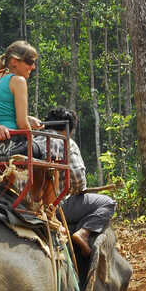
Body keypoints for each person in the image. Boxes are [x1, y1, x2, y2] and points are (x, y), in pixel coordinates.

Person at [44, 107, 116, 257]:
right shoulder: (66, 143)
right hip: (57, 206)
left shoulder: (34, 139)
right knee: (107, 203)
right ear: (68, 129)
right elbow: (78, 181)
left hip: (29, 205)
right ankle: (83, 233)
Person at [0, 40, 45, 158]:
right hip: (11, 144)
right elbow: (22, 124)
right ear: (14, 61)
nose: (33, 67)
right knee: (47, 147)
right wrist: (32, 137)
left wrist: (28, 118)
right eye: (29, 62)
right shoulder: (18, 81)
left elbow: (1, 112)